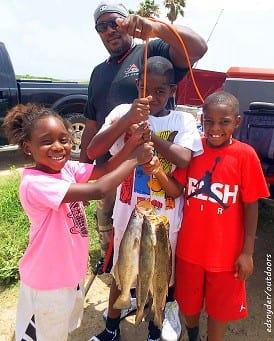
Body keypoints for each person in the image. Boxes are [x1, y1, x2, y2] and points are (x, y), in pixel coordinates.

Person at [3, 103, 154, 341]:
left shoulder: (66, 169)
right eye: (46, 141)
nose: (58, 147)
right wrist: (136, 159)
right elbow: (99, 190)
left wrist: (133, 142)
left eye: (63, 139)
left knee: (59, 331)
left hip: (69, 276)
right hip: (47, 283)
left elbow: (105, 169)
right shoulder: (35, 183)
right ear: (27, 147)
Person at [79, 1, 207, 278]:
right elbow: (91, 123)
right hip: (109, 166)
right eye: (102, 26)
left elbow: (197, 48)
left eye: (115, 22)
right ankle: (112, 265)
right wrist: (81, 169)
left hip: (149, 170)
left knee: (149, 242)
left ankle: (151, 289)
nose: (110, 30)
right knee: (112, 223)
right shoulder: (98, 72)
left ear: (127, 22)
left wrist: (156, 27)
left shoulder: (150, 51)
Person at [87, 56, 203, 341]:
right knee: (122, 268)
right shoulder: (123, 112)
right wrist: (128, 120)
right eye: (146, 89)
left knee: (159, 273)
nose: (152, 96)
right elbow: (93, 150)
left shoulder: (183, 120)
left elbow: (184, 159)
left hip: (166, 216)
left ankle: (155, 326)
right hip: (129, 211)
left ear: (173, 91)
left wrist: (156, 139)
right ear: (138, 86)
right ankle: (112, 328)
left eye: (161, 91)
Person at [170, 91, 270, 341]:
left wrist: (246, 252)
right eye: (209, 121)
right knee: (189, 304)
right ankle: (192, 333)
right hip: (189, 250)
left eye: (224, 122)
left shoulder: (245, 155)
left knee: (220, 309)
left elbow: (251, 206)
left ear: (237, 122)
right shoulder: (193, 149)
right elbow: (177, 187)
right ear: (201, 120)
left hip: (225, 256)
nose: (215, 128)